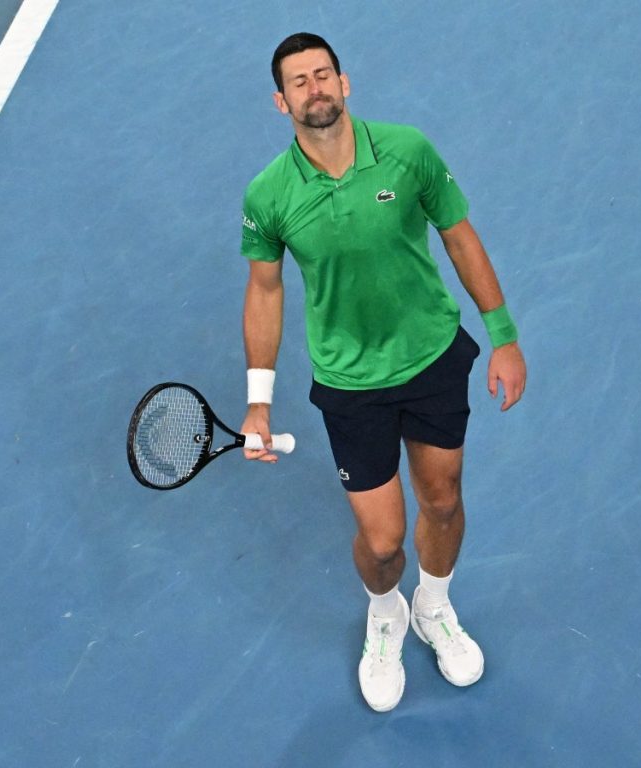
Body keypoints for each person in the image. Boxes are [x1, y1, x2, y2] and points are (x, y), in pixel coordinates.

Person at [239, 32, 526, 712]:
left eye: (323, 75)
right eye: (299, 82)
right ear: (281, 103)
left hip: (430, 357)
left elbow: (459, 235)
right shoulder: (269, 194)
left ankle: (433, 605)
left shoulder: (408, 150)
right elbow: (266, 290)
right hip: (349, 383)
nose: (315, 88)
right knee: (383, 539)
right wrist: (259, 402)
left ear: (345, 83)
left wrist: (504, 336)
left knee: (445, 500)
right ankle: (385, 613)